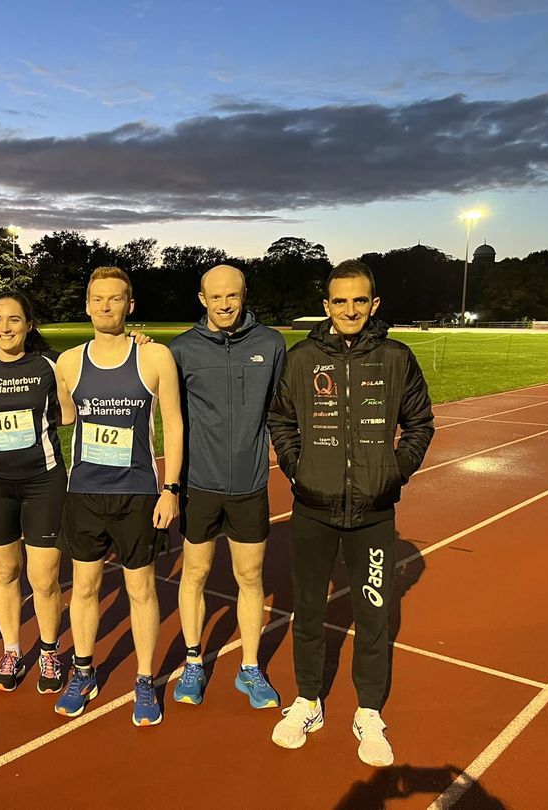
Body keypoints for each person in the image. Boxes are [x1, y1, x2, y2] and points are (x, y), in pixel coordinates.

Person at [267, 259, 434, 767]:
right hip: (312, 509)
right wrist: (298, 469)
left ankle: (369, 711)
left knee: (373, 614)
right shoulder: (301, 359)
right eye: (340, 301)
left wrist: (393, 473)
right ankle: (308, 700)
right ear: (326, 305)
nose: (350, 309)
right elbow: (281, 420)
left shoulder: (396, 358)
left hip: (374, 513)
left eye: (360, 300)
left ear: (374, 304)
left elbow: (420, 424)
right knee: (307, 611)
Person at [52, 266, 183, 727]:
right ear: (87, 306)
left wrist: (170, 489)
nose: (106, 306)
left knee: (141, 590)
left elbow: (174, 425)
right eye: (98, 299)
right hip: (84, 493)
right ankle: (83, 672)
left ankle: (145, 680)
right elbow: (65, 417)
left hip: (138, 493)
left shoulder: (155, 357)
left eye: (115, 298)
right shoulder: (68, 362)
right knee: (84, 587)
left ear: (130, 305)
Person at [169, 265, 286, 708]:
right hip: (200, 484)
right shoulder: (181, 349)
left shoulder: (270, 344)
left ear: (244, 295)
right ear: (202, 299)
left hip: (250, 484)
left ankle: (250, 668)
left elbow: (281, 408)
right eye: (215, 297)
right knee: (195, 574)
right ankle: (193, 661)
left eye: (232, 296)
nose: (224, 304)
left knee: (250, 577)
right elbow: (167, 411)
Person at [0, 291, 74, 693]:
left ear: (29, 325)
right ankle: (11, 650)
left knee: (43, 577)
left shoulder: (50, 364)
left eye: (14, 320)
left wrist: (137, 342)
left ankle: (49, 651)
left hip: (42, 482)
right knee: (6, 571)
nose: (5, 327)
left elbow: (69, 412)